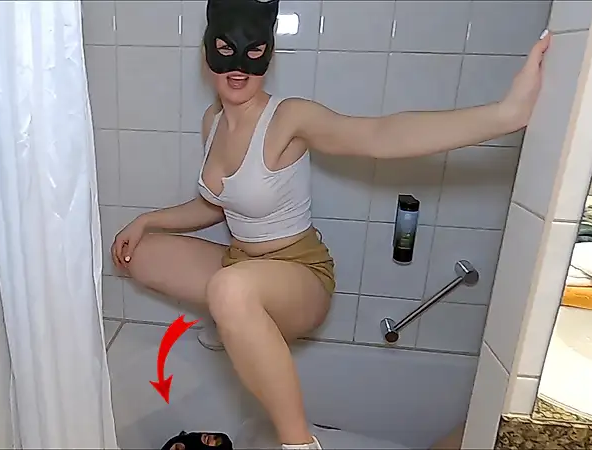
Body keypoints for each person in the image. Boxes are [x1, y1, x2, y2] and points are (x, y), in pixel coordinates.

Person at [111, 0, 552, 448]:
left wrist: (505, 114)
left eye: (253, 52)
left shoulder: (288, 117)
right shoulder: (214, 121)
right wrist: (147, 220)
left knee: (230, 289)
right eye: (226, 50)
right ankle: (242, 326)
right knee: (140, 255)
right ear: (208, 53)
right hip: (241, 263)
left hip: (299, 275)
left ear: (269, 54)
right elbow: (215, 206)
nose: (238, 66)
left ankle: (299, 442)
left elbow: (380, 135)